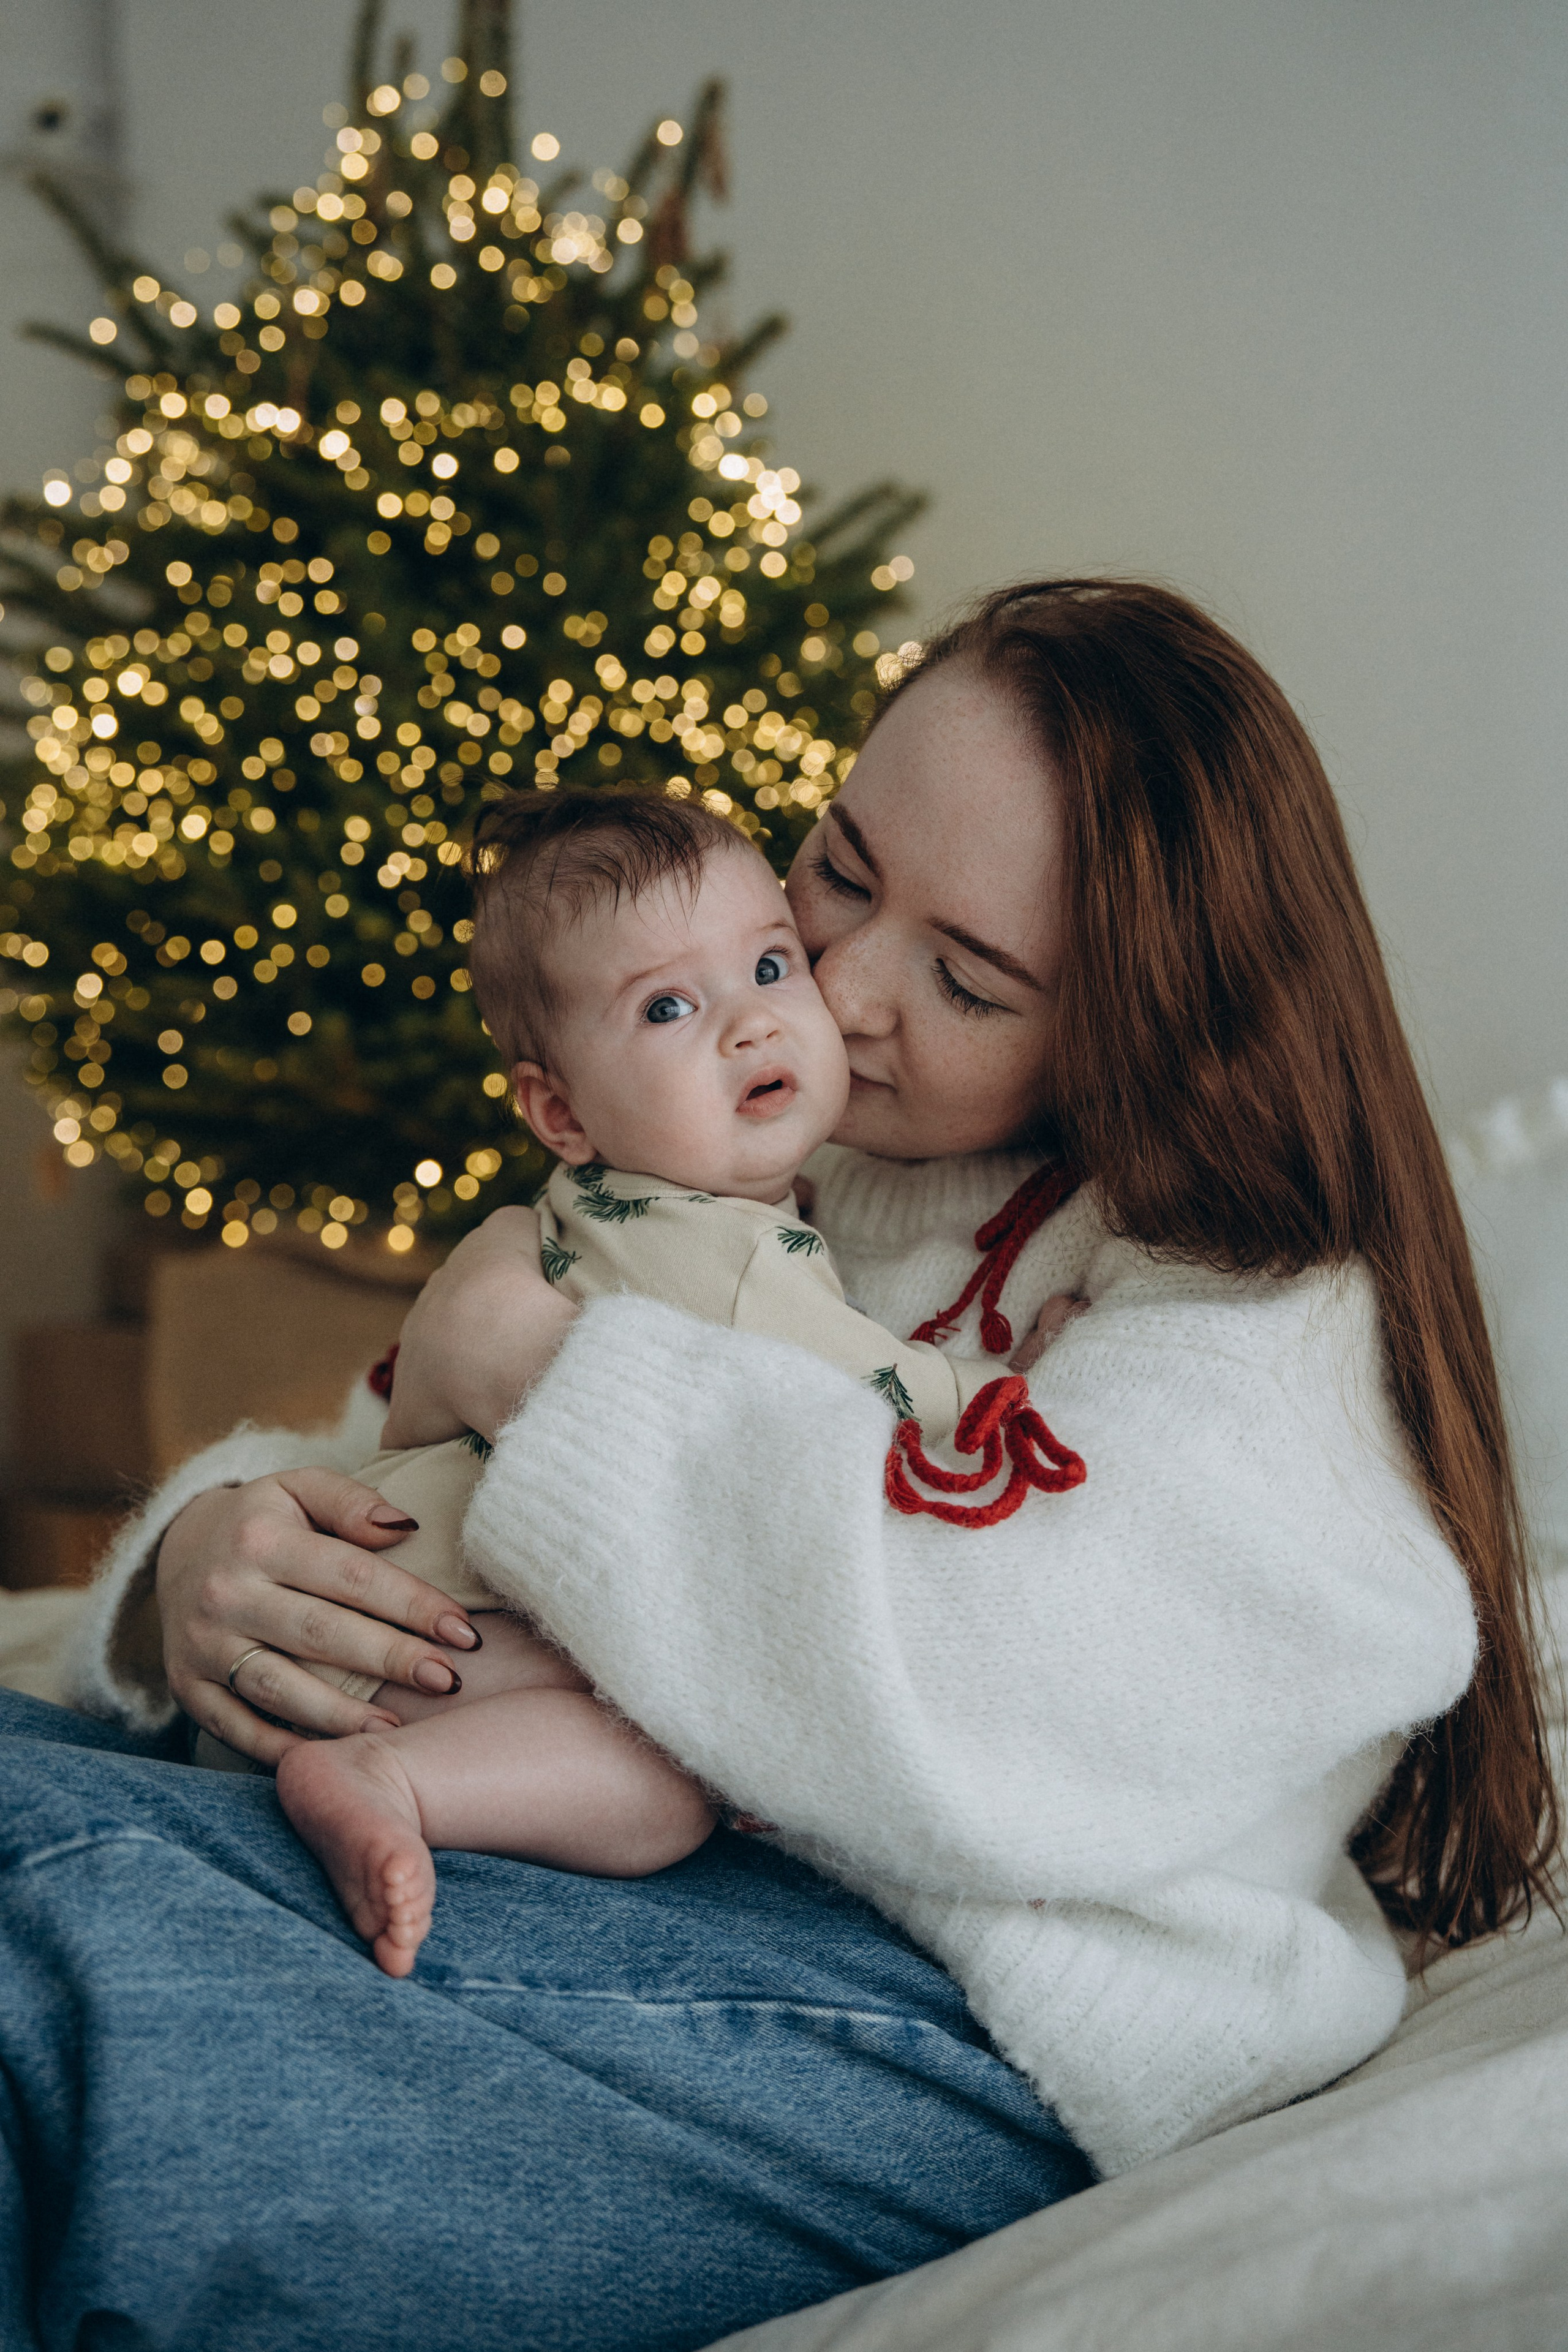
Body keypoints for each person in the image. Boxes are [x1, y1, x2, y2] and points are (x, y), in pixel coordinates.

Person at [8, 580, 1555, 2352]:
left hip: (958, 1996)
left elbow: (960, 1672)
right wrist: (204, 1568)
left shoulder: (1253, 1323)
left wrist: (543, 1363)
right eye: (838, 867)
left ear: (1148, 1019)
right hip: (614, 1856)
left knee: (66, 1949)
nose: (831, 987)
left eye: (966, 977)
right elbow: (410, 1463)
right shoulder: (744, 1155)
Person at [276, 787, 1079, 1976]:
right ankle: (379, 1776)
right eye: (665, 1006)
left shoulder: (585, 1219)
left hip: (367, 1615)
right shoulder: (731, 1254)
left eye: (768, 964)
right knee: (668, 1783)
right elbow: (864, 1393)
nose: (750, 1026)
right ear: (559, 1111)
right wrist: (1014, 1380)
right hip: (435, 1638)